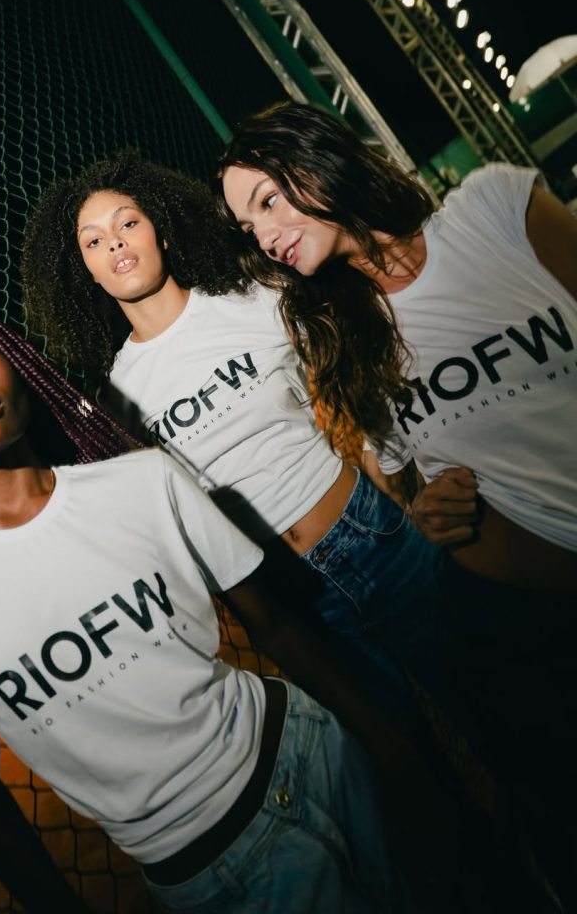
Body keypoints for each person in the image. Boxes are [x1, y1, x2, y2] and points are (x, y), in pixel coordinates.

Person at [0, 292, 457, 914]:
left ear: (14, 359)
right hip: (212, 865)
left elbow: (276, 626)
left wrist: (393, 751)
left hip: (318, 750)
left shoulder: (145, 479)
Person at [216, 100, 577, 902]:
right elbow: (401, 475)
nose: (263, 234)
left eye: (267, 201)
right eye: (247, 226)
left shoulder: (493, 208)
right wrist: (424, 510)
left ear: (316, 159)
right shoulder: (343, 337)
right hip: (528, 630)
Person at [21, 154, 448, 723]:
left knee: (489, 697)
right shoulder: (118, 398)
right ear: (87, 272)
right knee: (397, 739)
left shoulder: (252, 300)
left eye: (128, 223)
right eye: (93, 241)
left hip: (373, 536)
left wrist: (386, 463)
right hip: (285, 594)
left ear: (161, 231)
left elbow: (359, 362)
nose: (115, 243)